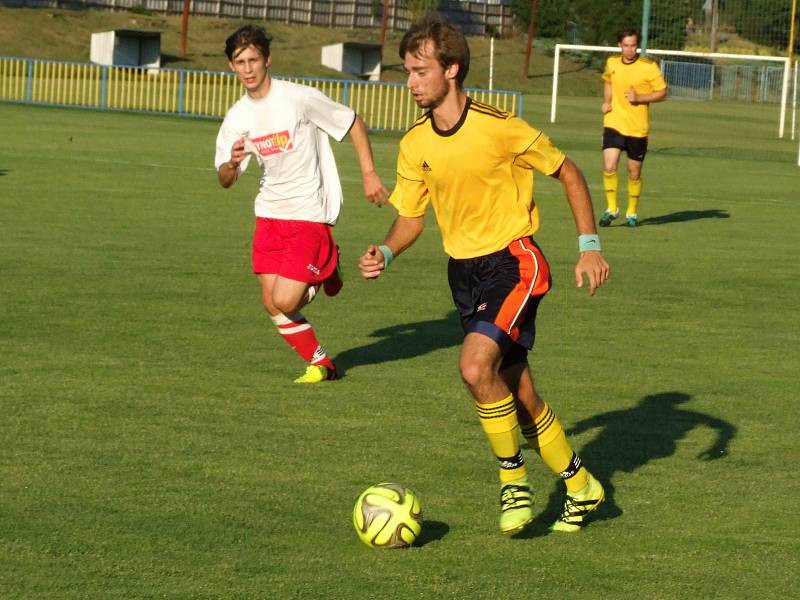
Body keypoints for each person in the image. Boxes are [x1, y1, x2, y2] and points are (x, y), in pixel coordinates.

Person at [358, 15, 610, 535]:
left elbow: (568, 170)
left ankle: (511, 478)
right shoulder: (414, 145)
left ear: (450, 69)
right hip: (464, 274)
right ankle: (582, 487)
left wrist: (589, 246)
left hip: (515, 260)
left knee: (475, 369)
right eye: (407, 71)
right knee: (517, 394)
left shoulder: (499, 126)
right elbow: (410, 217)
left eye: (419, 71)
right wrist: (386, 249)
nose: (410, 82)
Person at [215, 25, 388, 383]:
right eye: (239, 62)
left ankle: (326, 264)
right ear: (232, 66)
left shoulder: (298, 98)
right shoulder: (237, 117)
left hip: (308, 213)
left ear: (267, 60)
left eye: (253, 60)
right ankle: (321, 363)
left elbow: (354, 122)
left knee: (287, 300)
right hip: (269, 215)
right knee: (271, 303)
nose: (247, 69)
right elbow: (225, 180)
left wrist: (369, 174)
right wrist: (231, 164)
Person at [599, 28, 668, 228]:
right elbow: (608, 81)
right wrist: (606, 101)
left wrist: (640, 98)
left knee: (633, 173)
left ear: (637, 45)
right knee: (610, 165)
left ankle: (632, 212)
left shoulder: (648, 67)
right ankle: (612, 209)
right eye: (626, 45)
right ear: (619, 45)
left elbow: (663, 93)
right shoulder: (612, 62)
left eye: (633, 45)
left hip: (637, 128)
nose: (630, 49)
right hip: (614, 123)